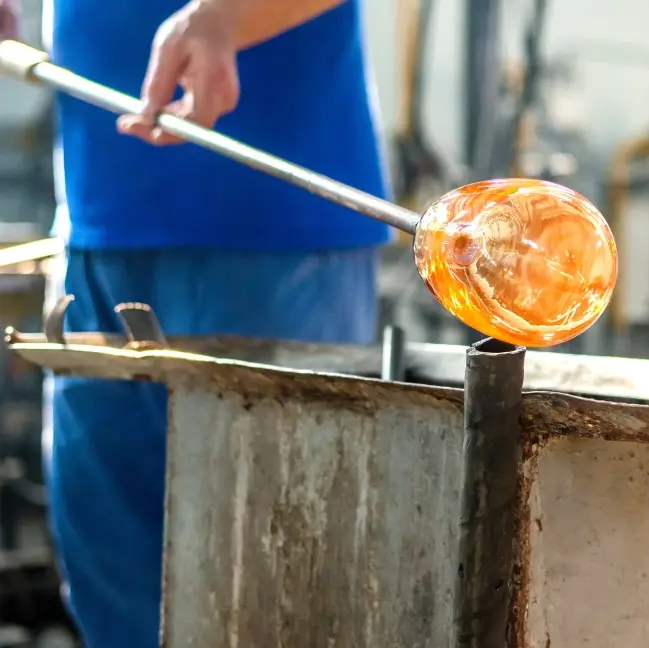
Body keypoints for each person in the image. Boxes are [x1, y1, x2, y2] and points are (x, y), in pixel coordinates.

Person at [2, 0, 391, 646]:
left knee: (279, 578)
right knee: (113, 580)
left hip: (272, 222)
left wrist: (227, 14)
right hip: (101, 217)